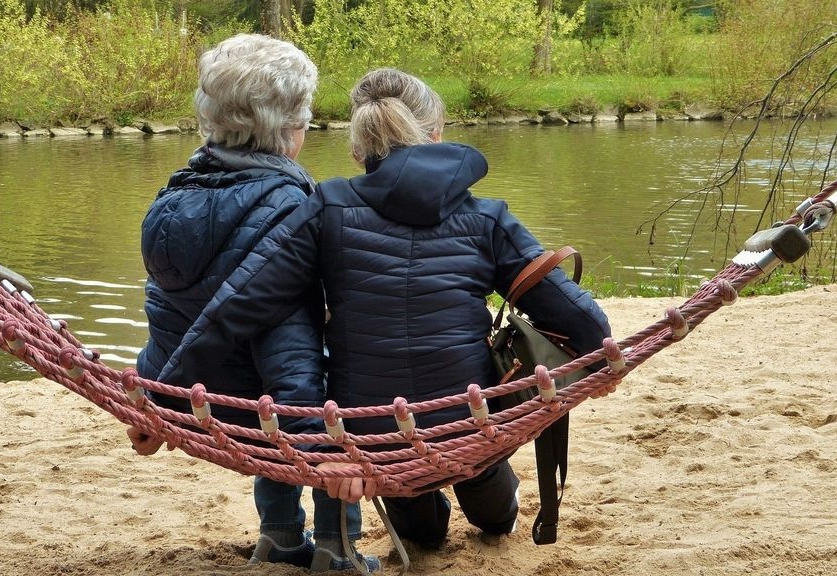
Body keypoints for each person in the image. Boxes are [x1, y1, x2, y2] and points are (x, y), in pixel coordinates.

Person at [157, 68, 611, 549]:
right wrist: (603, 359)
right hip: (470, 419)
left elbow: (240, 305)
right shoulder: (488, 217)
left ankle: (431, 505)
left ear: (358, 149)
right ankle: (489, 497)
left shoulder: (326, 207)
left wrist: (163, 397)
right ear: (436, 135)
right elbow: (577, 316)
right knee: (489, 497)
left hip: (375, 437)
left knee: (422, 534)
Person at [126, 33, 377, 573]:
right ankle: (338, 547)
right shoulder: (292, 208)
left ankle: (280, 536)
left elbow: (169, 312)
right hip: (263, 405)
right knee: (341, 380)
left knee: (272, 389)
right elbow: (292, 348)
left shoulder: (173, 197)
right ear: (290, 129)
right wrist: (320, 451)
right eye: (305, 117)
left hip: (196, 395)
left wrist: (153, 397)